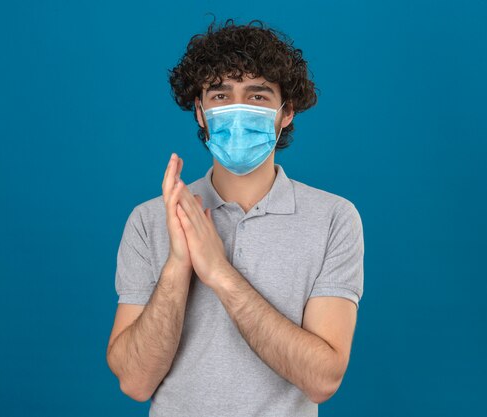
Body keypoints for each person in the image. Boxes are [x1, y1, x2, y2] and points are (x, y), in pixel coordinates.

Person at [106, 18, 364, 417]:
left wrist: (219, 273)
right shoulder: (150, 219)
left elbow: (323, 379)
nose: (238, 110)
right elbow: (135, 382)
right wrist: (178, 265)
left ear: (286, 112)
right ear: (200, 112)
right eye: (221, 95)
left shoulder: (333, 218)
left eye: (257, 96)